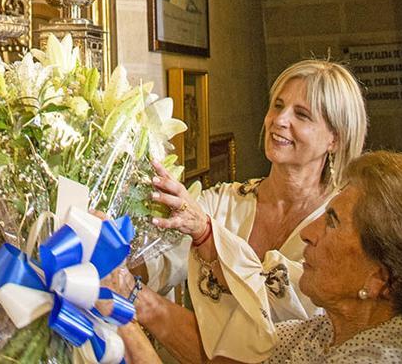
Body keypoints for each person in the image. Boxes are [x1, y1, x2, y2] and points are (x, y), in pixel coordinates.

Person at [134, 60, 368, 362]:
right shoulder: (222, 202)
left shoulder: (341, 228)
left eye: (302, 114)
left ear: (334, 138)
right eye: (278, 105)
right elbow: (154, 258)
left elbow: (270, 324)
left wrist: (206, 234)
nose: (279, 120)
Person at [113, 150, 402, 363]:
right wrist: (128, 291)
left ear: (379, 278)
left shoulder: (384, 357)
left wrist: (119, 312)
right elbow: (232, 358)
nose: (308, 232)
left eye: (332, 221)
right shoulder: (322, 331)